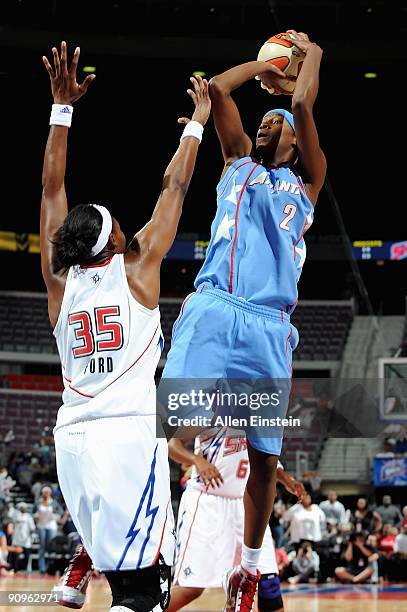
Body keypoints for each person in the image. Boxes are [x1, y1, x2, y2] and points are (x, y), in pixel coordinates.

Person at [40, 41, 211, 611]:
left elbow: (50, 191)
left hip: (73, 444)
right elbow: (175, 191)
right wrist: (196, 129)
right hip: (126, 441)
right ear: (113, 239)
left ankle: (82, 570)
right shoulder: (137, 270)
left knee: (127, 588)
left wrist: (61, 109)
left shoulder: (59, 285)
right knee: (145, 592)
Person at [160, 29, 326, 611]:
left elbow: (303, 104)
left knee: (264, 455)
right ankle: (115, 551)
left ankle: (251, 571)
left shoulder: (306, 184)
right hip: (211, 309)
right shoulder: (234, 164)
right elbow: (218, 92)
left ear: (295, 145)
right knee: (166, 428)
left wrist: (308, 61)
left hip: (266, 326)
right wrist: (264, 64)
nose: (266, 125)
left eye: (274, 125)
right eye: (263, 122)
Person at [167, 430, 306, 612]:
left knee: (269, 584)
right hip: (208, 502)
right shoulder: (212, 410)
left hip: (246, 503)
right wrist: (196, 460)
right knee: (190, 589)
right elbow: (172, 444)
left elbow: (266, 461)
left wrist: (286, 479)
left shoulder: (260, 416)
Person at [34, 486, 60, 574]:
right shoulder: (38, 502)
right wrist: (35, 516)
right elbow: (33, 513)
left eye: (47, 492)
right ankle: (42, 568)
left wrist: (55, 515)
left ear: (50, 493)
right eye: (44, 492)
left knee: (50, 547)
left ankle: (50, 566)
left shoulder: (54, 502)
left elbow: (60, 512)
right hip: (41, 525)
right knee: (42, 547)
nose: (46, 494)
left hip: (51, 526)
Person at [6, 502, 36, 573]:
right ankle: (15, 569)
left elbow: (32, 528)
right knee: (15, 556)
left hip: (26, 540)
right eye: (21, 508)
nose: (23, 509)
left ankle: (24, 568)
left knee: (27, 556)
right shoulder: (15, 514)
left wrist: (32, 536)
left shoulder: (28, 516)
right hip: (16, 539)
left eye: (24, 508)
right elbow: (9, 515)